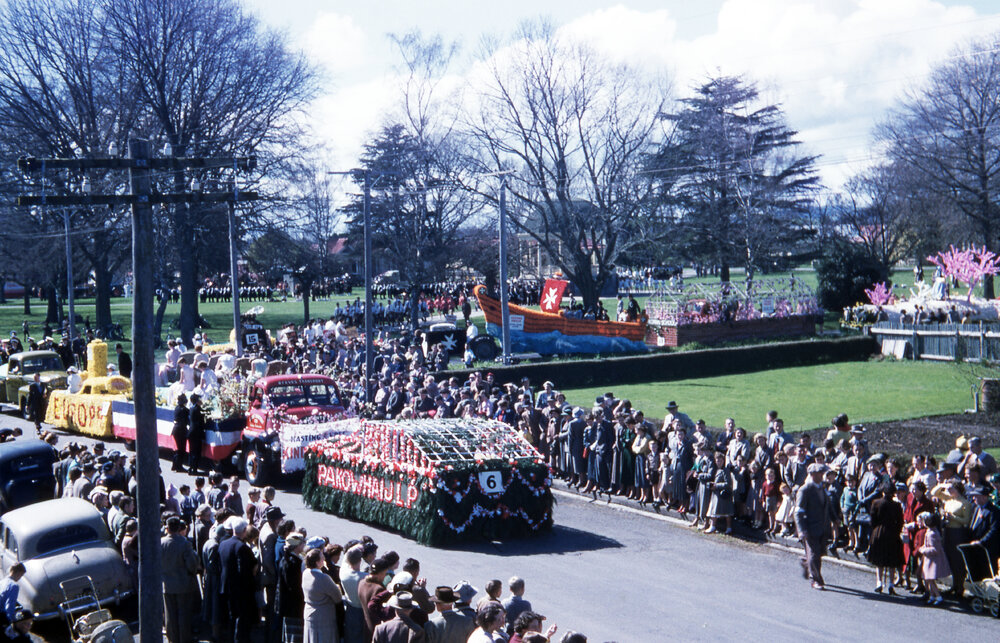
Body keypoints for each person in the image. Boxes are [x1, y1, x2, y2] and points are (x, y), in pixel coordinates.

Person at [219, 517, 259, 643]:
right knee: (242, 617)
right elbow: (247, 569)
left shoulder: (223, 543)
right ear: (244, 531)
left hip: (225, 585)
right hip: (240, 588)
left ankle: (230, 638)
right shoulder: (242, 547)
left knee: (231, 615)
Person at [161, 516, 200, 643]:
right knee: (183, 614)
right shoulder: (184, 543)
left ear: (167, 528)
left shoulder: (160, 542)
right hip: (183, 584)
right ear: (178, 528)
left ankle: (172, 639)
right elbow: (192, 564)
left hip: (167, 584)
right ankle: (184, 639)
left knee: (170, 615)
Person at [795, 463, 833, 590]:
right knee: (814, 555)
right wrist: (801, 530)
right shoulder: (805, 490)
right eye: (820, 473)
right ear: (812, 475)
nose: (823, 475)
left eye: (823, 473)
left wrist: (835, 519)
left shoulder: (823, 487)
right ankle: (815, 579)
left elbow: (827, 506)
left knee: (818, 553)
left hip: (822, 527)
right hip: (809, 528)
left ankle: (806, 562)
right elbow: (798, 512)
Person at [868, 483, 905, 594]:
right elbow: (900, 522)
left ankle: (879, 582)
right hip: (892, 533)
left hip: (879, 532)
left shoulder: (876, 503)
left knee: (879, 559)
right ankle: (891, 584)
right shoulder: (897, 505)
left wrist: (875, 530)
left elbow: (873, 521)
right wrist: (896, 532)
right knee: (892, 560)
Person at [302, 548, 345, 643]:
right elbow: (337, 597)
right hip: (324, 618)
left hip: (309, 615)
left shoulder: (305, 573)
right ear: (317, 563)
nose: (324, 559)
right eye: (322, 558)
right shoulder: (323, 578)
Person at [917, 512, 950, 606]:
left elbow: (935, 549)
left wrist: (923, 550)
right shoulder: (932, 531)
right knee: (928, 578)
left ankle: (938, 596)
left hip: (933, 560)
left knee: (930, 579)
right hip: (930, 559)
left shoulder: (932, 534)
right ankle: (932, 596)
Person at [187, 394, 206, 475]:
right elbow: (202, 420)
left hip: (191, 432)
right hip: (196, 432)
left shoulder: (191, 408)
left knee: (192, 451)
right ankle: (194, 469)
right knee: (196, 451)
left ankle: (191, 467)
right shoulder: (198, 409)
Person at [171, 394, 189, 472]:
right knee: (181, 449)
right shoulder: (184, 410)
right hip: (181, 430)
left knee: (177, 449)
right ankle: (179, 466)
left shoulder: (177, 408)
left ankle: (174, 465)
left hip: (176, 429)